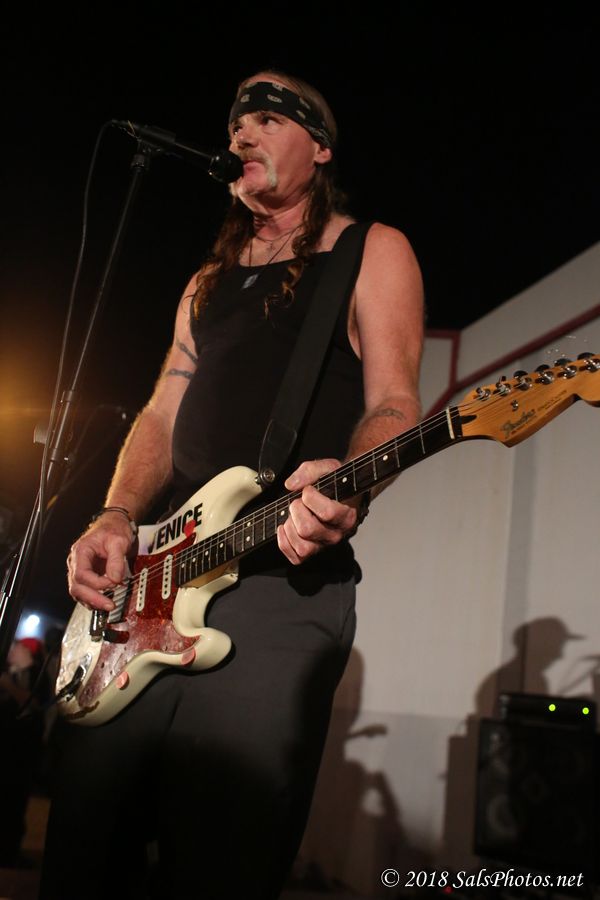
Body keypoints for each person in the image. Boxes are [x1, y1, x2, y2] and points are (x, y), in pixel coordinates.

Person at [41, 71, 423, 899]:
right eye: (236, 122)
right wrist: (114, 515)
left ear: (321, 149)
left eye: (269, 118)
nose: (242, 133)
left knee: (221, 853)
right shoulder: (205, 281)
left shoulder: (371, 250)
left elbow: (394, 404)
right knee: (85, 845)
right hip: (156, 580)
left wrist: (351, 486)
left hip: (282, 580)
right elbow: (159, 412)